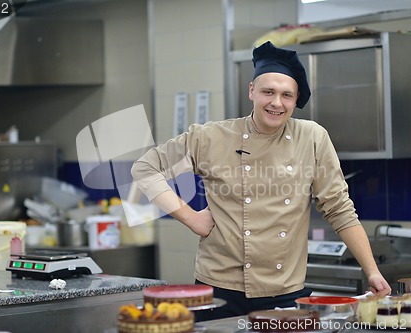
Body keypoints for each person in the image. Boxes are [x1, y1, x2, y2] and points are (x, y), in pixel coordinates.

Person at [131, 41, 392, 321]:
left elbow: (339, 210)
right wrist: (191, 218)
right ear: (252, 91)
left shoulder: (312, 138)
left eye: (286, 95)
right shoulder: (210, 138)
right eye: (268, 92)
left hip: (286, 290)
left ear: (296, 100)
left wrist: (372, 271)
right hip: (218, 289)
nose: (276, 103)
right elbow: (145, 169)